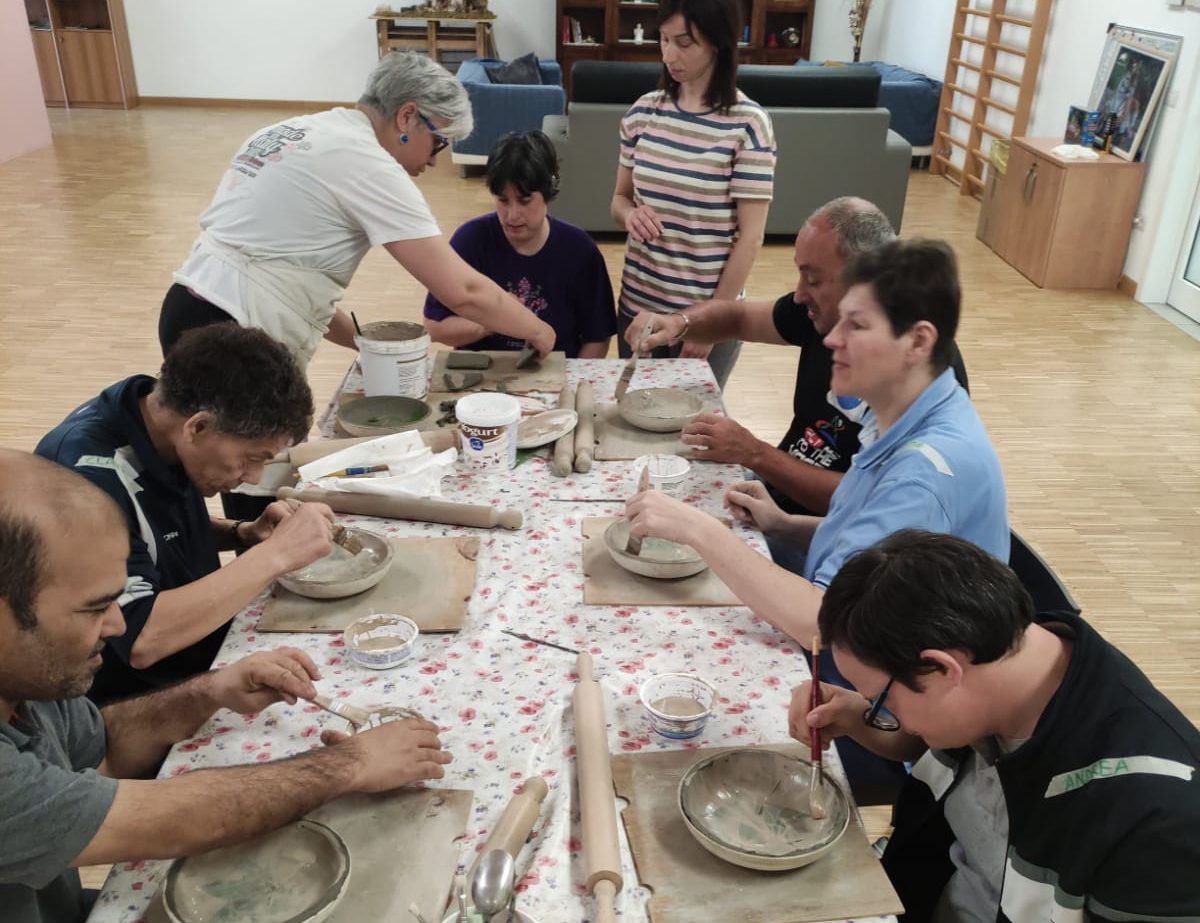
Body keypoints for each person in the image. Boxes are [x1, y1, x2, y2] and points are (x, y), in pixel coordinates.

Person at [0, 449, 452, 923]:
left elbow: (104, 750)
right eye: (93, 609)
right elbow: (163, 824)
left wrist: (210, 691)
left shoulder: (27, 680)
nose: (116, 625)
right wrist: (349, 764)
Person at [794, 530, 1200, 923]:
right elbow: (936, 749)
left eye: (883, 702)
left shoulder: (1156, 825)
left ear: (944, 669)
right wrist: (855, 716)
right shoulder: (1005, 657)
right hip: (922, 890)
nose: (890, 717)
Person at [625, 239, 1007, 650]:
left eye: (856, 326)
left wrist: (695, 528)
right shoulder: (907, 409)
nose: (831, 340)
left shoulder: (922, 477)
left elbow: (823, 625)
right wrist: (783, 525)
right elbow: (873, 541)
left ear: (917, 342)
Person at [159, 50, 554, 365]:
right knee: (243, 462)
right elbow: (463, 291)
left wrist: (370, 345)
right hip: (233, 337)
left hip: (187, 309)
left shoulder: (295, 131)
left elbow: (284, 279)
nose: (434, 161)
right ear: (407, 116)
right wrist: (535, 328)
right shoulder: (368, 162)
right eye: (439, 143)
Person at [35, 325, 336, 705]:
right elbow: (140, 638)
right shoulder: (83, 482)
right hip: (139, 701)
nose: (253, 477)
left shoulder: (155, 416)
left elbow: (145, 536)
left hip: (205, 647)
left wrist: (243, 533)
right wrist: (276, 554)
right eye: (250, 458)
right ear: (199, 426)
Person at [626, 197, 900, 520]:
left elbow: (866, 501)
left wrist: (754, 453)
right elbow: (739, 318)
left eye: (812, 279)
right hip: (771, 499)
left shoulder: (911, 375)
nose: (798, 294)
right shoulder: (823, 314)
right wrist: (679, 324)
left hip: (822, 534)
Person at [610, 0, 775, 389]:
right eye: (664, 40)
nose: (669, 54)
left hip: (706, 314)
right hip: (639, 309)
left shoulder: (748, 125)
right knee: (632, 419)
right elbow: (619, 199)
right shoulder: (642, 113)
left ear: (718, 43)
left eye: (684, 43)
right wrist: (630, 215)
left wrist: (708, 323)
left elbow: (751, 238)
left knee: (693, 435)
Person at [423, 131, 616, 359]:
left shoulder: (581, 251)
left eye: (524, 201)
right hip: (482, 382)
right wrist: (494, 319)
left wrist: (570, 385)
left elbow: (598, 337)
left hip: (556, 378)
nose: (512, 215)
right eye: (502, 200)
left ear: (548, 194)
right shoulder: (470, 240)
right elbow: (434, 327)